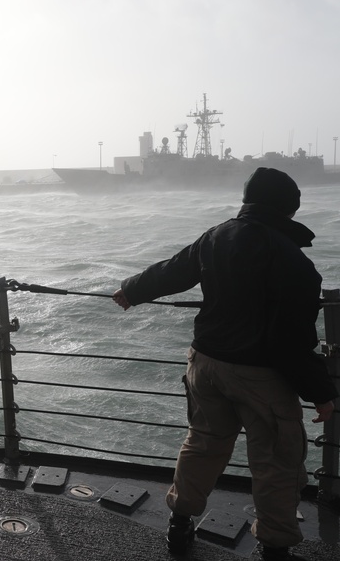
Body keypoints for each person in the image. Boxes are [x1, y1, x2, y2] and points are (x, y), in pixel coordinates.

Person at [112, 167, 337, 561]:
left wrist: (132, 290)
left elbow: (174, 270)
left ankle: (179, 526)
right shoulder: (295, 263)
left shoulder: (217, 235)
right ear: (291, 208)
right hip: (259, 374)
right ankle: (275, 547)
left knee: (203, 444)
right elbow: (293, 340)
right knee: (276, 461)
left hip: (205, 363)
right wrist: (321, 394)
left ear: (247, 200)